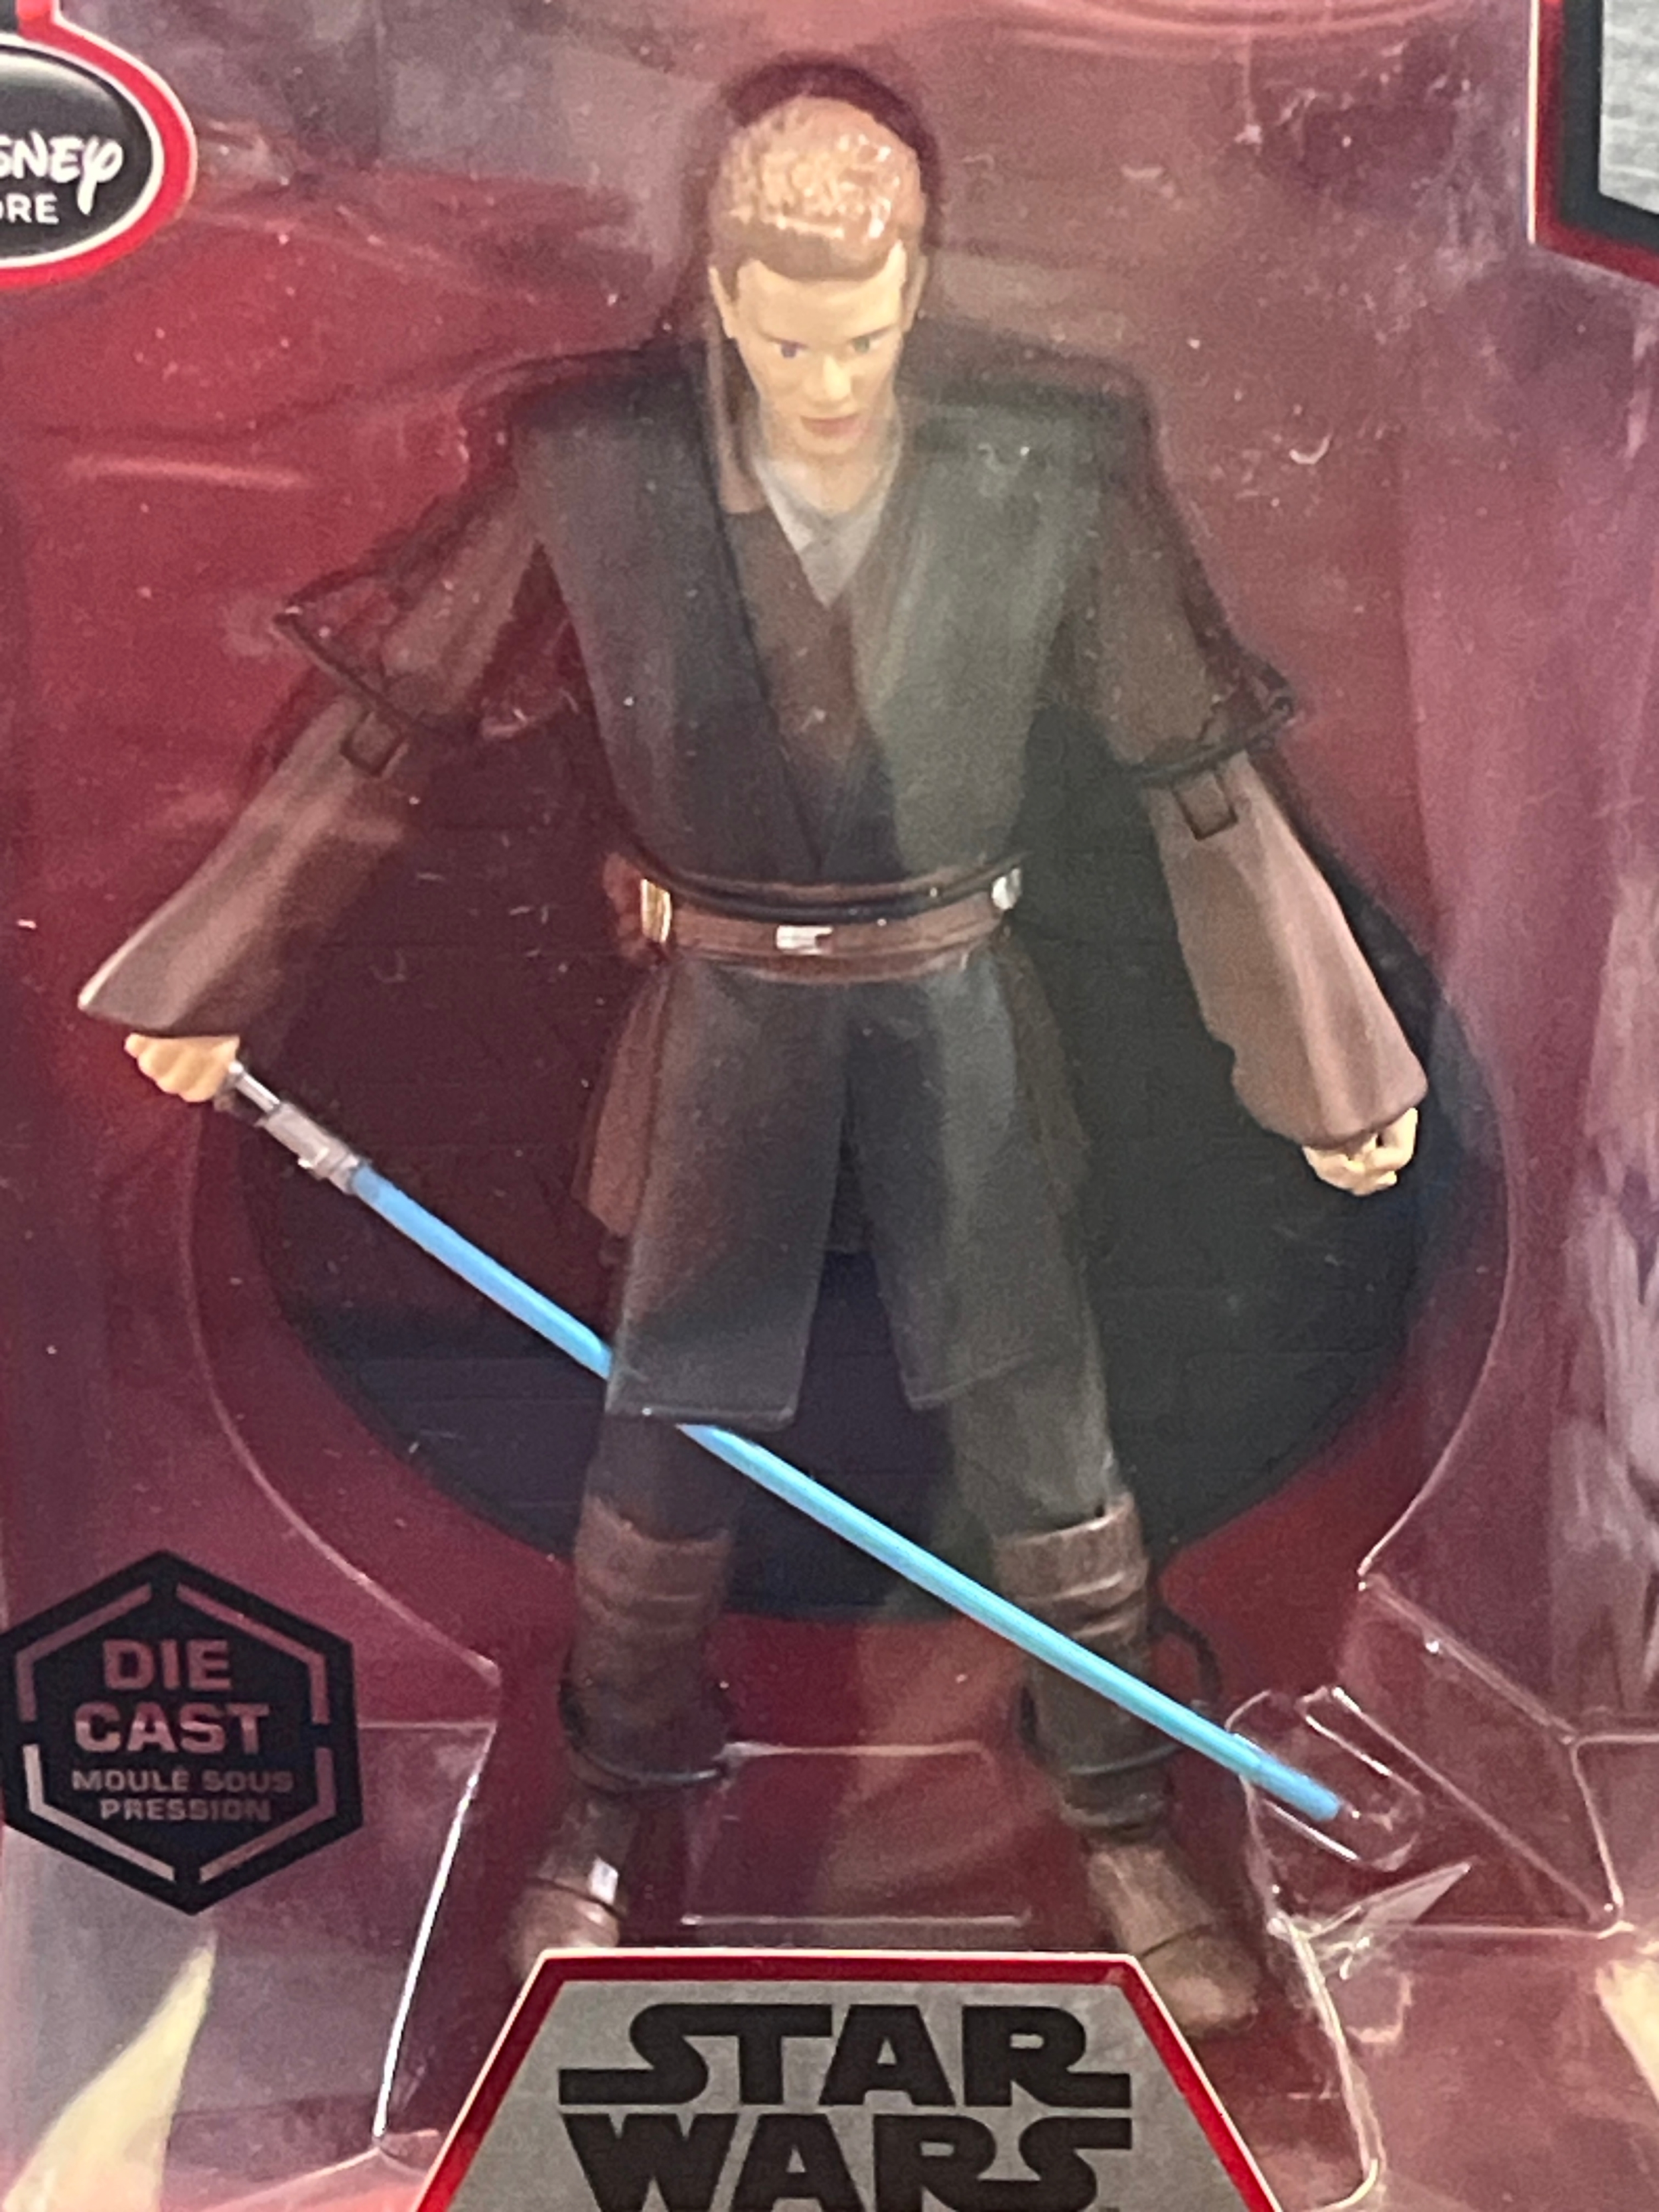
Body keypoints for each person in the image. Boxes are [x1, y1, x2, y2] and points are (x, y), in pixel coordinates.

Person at [81, 66, 1424, 2037]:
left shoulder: (1042, 452)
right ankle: (614, 1806)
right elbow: (394, 719)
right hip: (720, 1021)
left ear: (919, 284)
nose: (827, 379)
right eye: (788, 339)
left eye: (863, 336)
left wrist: (1330, 1066)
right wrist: (206, 975)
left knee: (1044, 1433)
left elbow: (1191, 762)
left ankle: (1121, 1818)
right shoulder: (594, 458)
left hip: (959, 1013)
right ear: (718, 286)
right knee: (666, 1438)